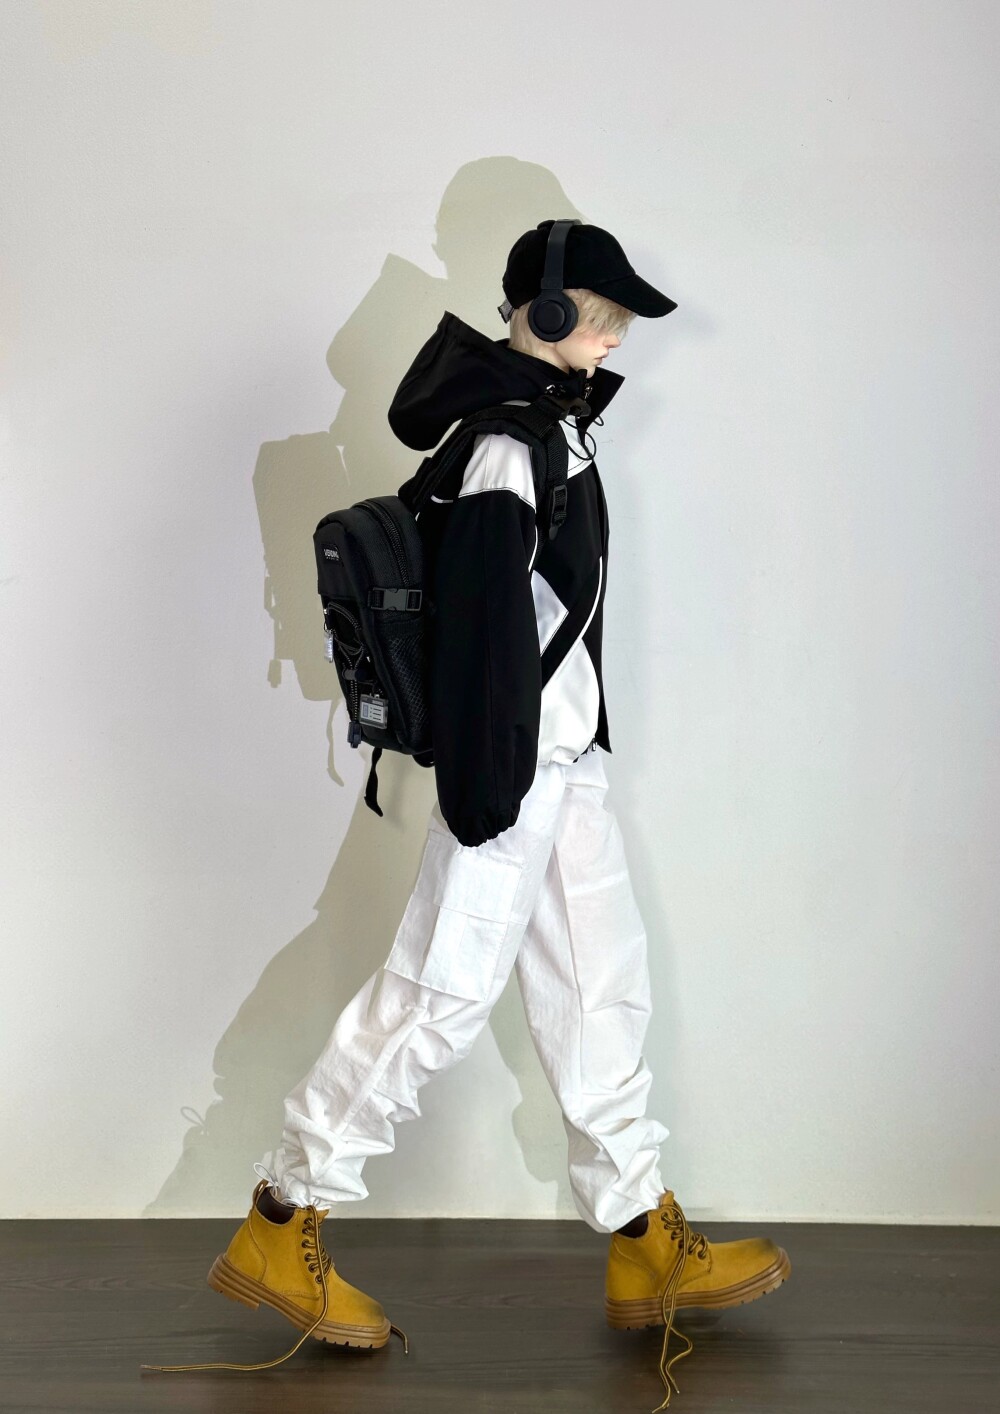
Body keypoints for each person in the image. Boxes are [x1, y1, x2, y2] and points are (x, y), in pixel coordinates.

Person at [141, 220, 791, 1410]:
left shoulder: (551, 426)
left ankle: (641, 1237)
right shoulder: (504, 445)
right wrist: (489, 790)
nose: (613, 338)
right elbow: (487, 628)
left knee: (600, 983)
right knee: (438, 992)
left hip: (565, 762)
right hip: (514, 769)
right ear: (543, 314)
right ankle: (282, 1218)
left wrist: (563, 752)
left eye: (618, 321)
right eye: (599, 316)